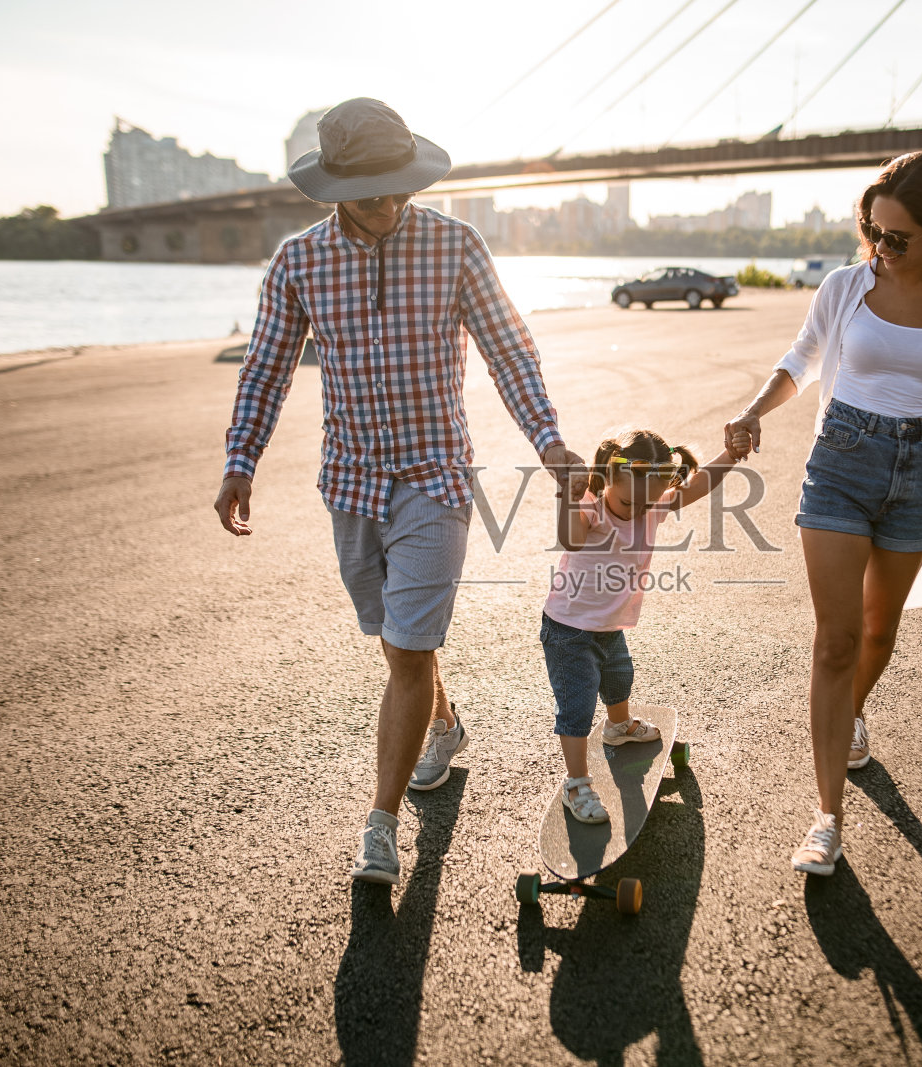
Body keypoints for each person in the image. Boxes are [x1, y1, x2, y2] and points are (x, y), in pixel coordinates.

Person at [213, 98, 585, 886]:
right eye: (372, 192)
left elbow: (510, 354)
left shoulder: (456, 247)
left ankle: (380, 828)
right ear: (333, 186)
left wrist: (549, 442)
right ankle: (443, 724)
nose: (388, 205)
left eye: (399, 189)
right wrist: (240, 458)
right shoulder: (300, 262)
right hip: (349, 482)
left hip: (435, 478)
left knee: (409, 648)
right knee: (395, 643)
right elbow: (267, 368)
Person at [723, 151, 922, 876]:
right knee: (835, 643)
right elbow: (802, 358)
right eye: (875, 231)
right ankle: (827, 818)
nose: (882, 249)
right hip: (840, 461)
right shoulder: (846, 286)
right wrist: (751, 412)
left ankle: (848, 714)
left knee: (877, 632)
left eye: (898, 238)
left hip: (919, 470)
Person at [542, 428, 748, 822]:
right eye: (628, 500)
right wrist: (567, 496)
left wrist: (729, 455)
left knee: (619, 677)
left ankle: (618, 727)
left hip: (609, 625)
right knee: (577, 707)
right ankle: (577, 784)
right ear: (608, 476)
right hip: (569, 629)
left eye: (647, 502)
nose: (637, 509)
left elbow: (698, 485)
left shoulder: (649, 504)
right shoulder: (589, 506)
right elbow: (570, 541)